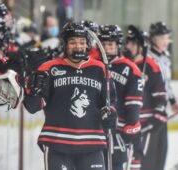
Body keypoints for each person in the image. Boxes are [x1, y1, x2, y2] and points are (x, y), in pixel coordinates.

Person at [23, 21, 117, 170]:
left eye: (82, 42)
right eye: (73, 42)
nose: (78, 46)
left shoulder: (100, 69)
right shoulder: (49, 68)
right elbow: (32, 107)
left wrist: (110, 114)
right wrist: (33, 91)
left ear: (87, 45)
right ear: (65, 44)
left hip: (92, 143)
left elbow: (110, 102)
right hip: (57, 143)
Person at [99, 25, 143, 170]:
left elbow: (134, 103)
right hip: (95, 129)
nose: (106, 48)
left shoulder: (130, 68)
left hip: (118, 131)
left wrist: (131, 125)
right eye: (103, 44)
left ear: (118, 45)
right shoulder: (93, 65)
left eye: (110, 44)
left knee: (116, 165)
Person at [124, 25, 167, 170]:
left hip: (144, 124)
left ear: (140, 46)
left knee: (143, 163)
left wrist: (155, 119)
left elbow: (161, 97)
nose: (128, 46)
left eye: (132, 42)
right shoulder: (124, 64)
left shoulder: (151, 66)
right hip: (126, 124)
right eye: (128, 42)